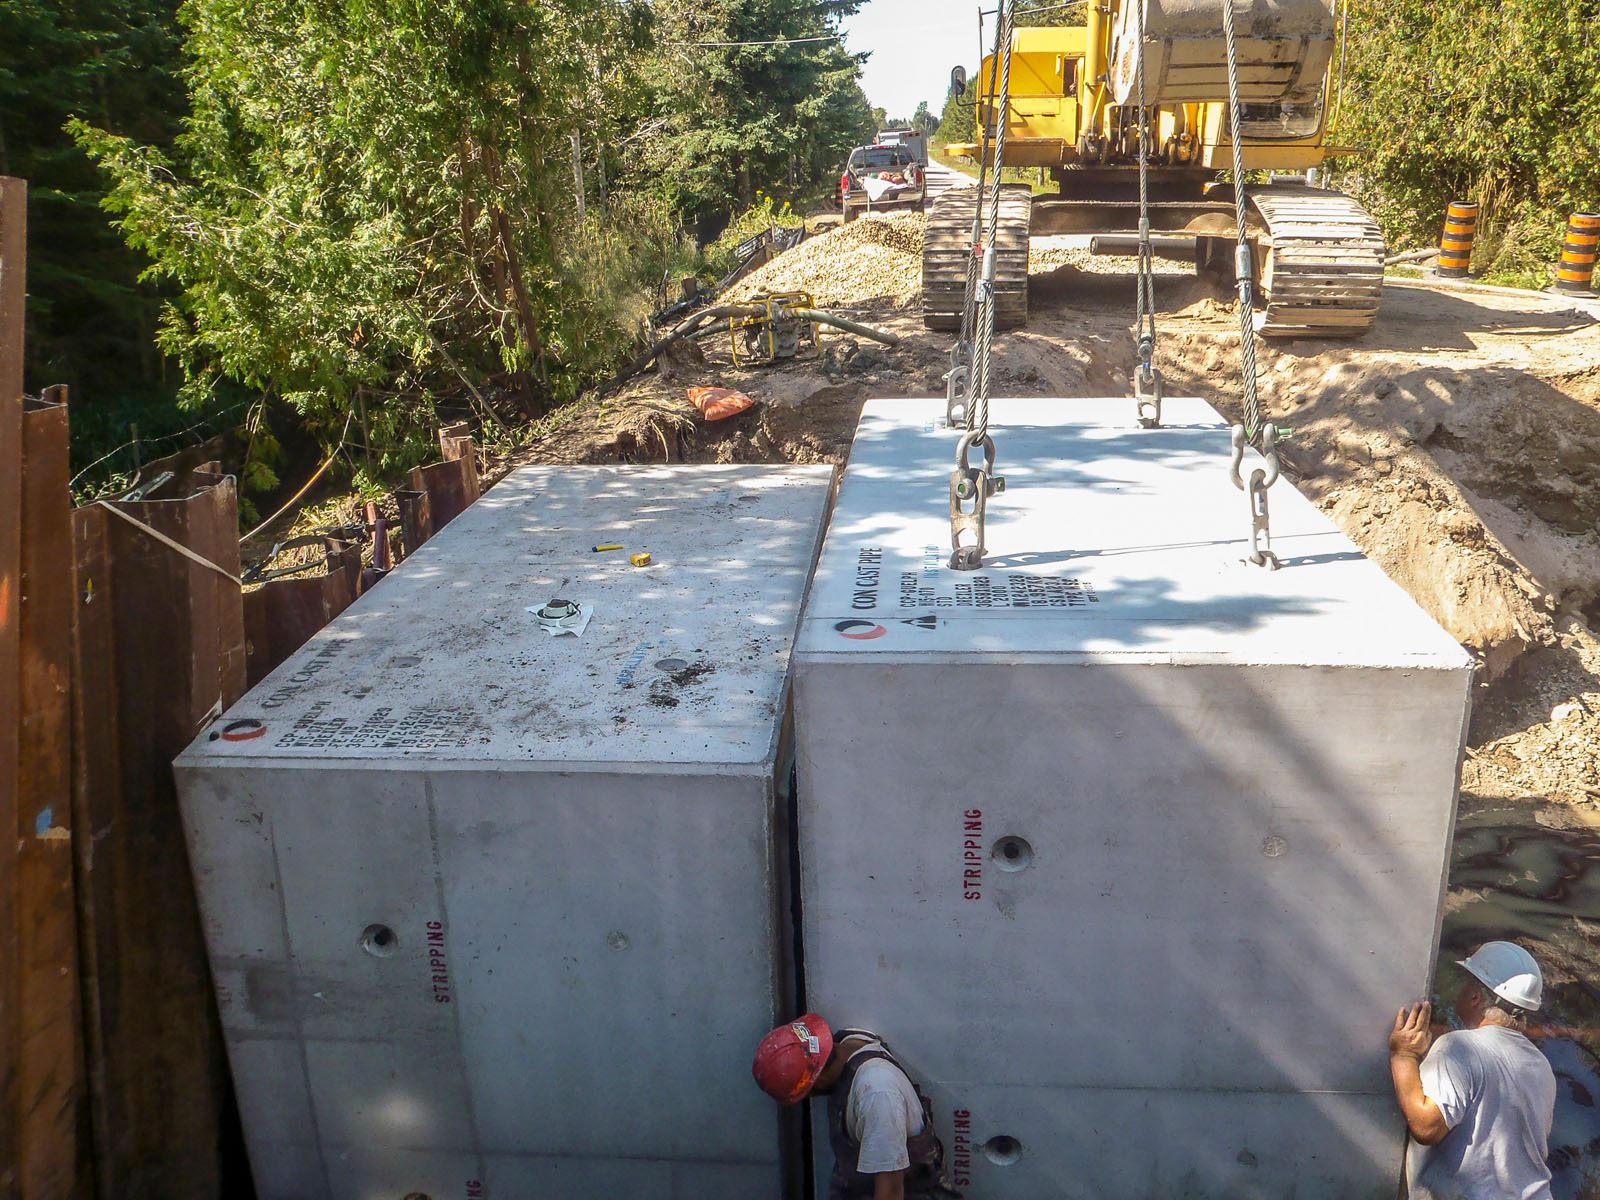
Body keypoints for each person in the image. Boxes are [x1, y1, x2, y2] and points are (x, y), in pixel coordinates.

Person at [1388, 940, 1557, 1200]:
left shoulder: (1460, 1047)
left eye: (1467, 984)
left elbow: (1427, 1127)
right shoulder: (1541, 1066)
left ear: (1476, 996)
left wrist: (1404, 1055)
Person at [752, 1013, 960, 1200]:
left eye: (808, 1093)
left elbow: (891, 1192)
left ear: (818, 1079)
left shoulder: (877, 1094)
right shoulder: (848, 1044)